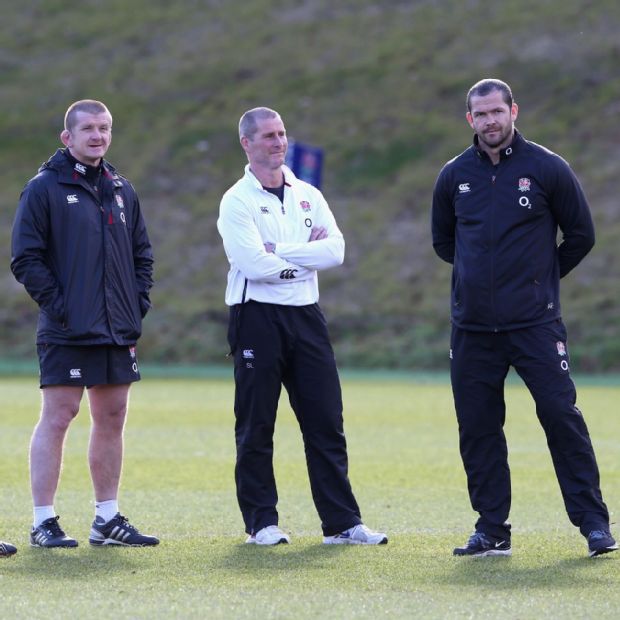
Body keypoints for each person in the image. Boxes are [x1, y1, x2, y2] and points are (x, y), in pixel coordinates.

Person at [432, 78, 617, 558]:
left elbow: (581, 234)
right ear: (469, 119)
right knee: (477, 427)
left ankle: (594, 523)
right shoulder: (454, 176)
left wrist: (540, 279)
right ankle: (491, 529)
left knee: (560, 416)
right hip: (472, 328)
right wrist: (482, 281)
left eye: (498, 111)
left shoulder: (547, 167)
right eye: (481, 113)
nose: (491, 120)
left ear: (514, 110)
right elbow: (444, 243)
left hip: (535, 324)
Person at [217, 107, 388, 546]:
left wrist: (283, 252)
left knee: (325, 420)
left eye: (281, 134)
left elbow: (336, 251)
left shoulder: (307, 193)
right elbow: (253, 263)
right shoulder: (237, 199)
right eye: (268, 136)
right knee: (257, 423)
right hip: (256, 315)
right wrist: (299, 263)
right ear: (247, 144)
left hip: (306, 316)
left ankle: (342, 523)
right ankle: (262, 522)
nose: (278, 142)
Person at [11, 99, 159, 549]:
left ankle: (107, 519)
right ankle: (43, 521)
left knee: (112, 416)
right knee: (59, 416)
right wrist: (62, 308)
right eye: (88, 129)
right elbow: (26, 258)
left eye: (104, 128)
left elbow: (142, 256)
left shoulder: (121, 189)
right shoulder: (44, 189)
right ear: (67, 137)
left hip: (117, 328)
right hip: (67, 328)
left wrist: (136, 305)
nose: (98, 136)